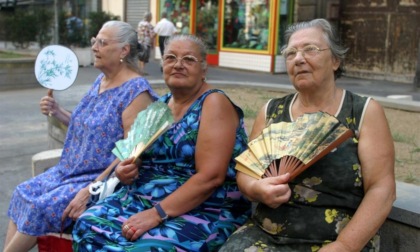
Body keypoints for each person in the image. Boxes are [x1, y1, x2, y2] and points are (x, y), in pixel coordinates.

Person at [219, 18, 396, 252]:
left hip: (338, 238)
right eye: (291, 53)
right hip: (266, 234)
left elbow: (382, 188)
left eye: (310, 49)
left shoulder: (363, 111)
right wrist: (255, 189)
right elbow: (246, 171)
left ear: (335, 60)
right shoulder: (271, 111)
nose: (299, 58)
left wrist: (345, 245)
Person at [72, 34, 251, 251]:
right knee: (87, 224)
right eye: (171, 58)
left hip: (204, 207)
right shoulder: (161, 105)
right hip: (144, 197)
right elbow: (138, 157)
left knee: (148, 248)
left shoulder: (214, 103)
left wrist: (157, 214)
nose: (178, 65)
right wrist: (124, 170)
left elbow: (210, 177)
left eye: (188, 60)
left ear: (204, 69)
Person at [3, 20, 159, 252]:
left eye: (102, 42)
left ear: (124, 50)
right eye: (94, 41)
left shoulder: (137, 92)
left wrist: (90, 190)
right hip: (68, 171)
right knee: (22, 193)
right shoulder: (101, 81)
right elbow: (87, 126)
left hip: (98, 179)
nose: (95, 47)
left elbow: (132, 150)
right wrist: (58, 111)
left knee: (41, 207)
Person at [137, 11, 155, 75]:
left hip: (139, 41)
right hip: (146, 43)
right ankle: (142, 70)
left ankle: (139, 70)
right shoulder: (150, 25)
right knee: (144, 57)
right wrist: (153, 44)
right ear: (149, 17)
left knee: (140, 56)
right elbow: (152, 36)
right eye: (151, 17)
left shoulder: (140, 24)